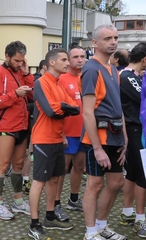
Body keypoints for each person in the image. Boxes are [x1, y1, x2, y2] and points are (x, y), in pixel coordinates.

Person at [80, 24, 128, 240]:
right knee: (95, 184)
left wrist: (126, 138)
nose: (113, 42)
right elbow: (87, 111)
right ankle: (90, 233)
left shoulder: (114, 70)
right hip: (97, 139)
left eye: (116, 37)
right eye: (108, 38)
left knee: (117, 182)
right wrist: (97, 148)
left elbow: (118, 108)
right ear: (95, 44)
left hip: (116, 136)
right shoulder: (91, 69)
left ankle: (101, 225)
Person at [28, 49, 79, 240]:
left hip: (58, 138)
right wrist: (64, 108)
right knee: (39, 182)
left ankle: (50, 217)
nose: (68, 63)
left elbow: (75, 107)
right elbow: (50, 111)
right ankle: (34, 224)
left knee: (56, 180)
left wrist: (63, 109)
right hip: (43, 139)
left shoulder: (58, 84)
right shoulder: (41, 82)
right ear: (51, 62)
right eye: (64, 60)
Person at [0, 41, 34, 218]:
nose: (19, 64)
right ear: (7, 56)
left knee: (19, 165)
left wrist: (27, 74)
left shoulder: (22, 72)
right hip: (7, 126)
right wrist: (14, 95)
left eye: (22, 60)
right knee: (3, 164)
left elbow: (31, 94)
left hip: (23, 125)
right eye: (16, 60)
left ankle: (18, 201)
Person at [54, 46, 86, 222]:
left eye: (82, 56)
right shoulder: (62, 79)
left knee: (79, 166)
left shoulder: (86, 77)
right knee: (61, 170)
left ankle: (73, 199)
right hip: (67, 132)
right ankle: (56, 203)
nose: (79, 60)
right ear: (68, 59)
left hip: (83, 132)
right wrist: (62, 134)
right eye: (75, 57)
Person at [119, 41, 146, 237]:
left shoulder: (135, 76)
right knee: (143, 176)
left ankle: (127, 212)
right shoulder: (127, 77)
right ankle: (140, 219)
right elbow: (141, 98)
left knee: (133, 173)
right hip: (134, 130)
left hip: (136, 130)